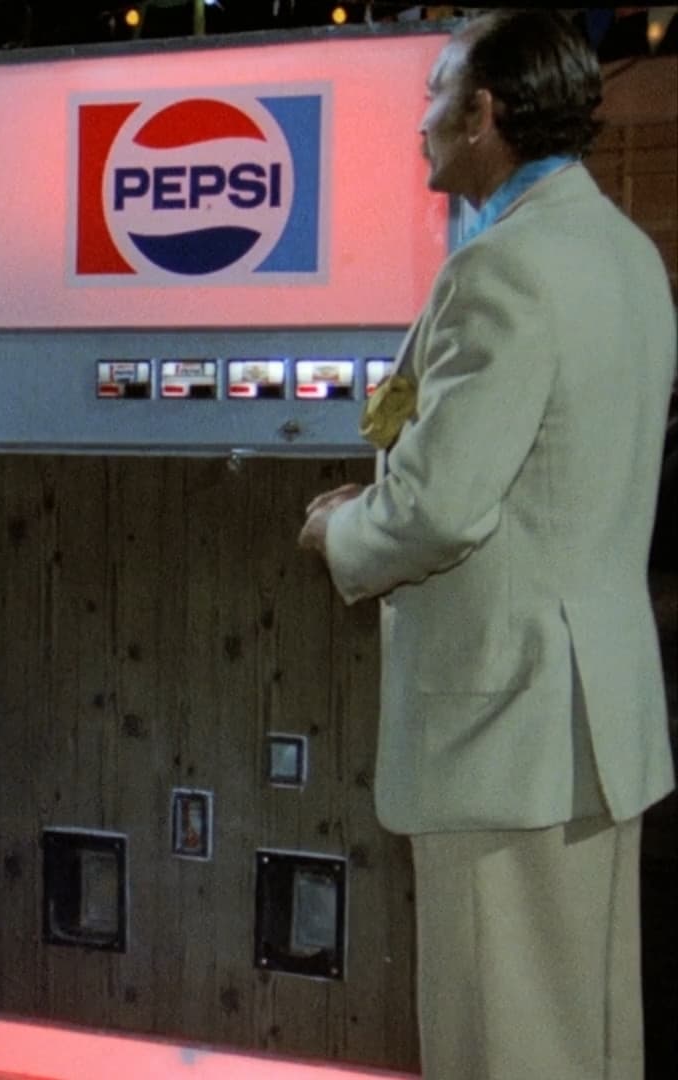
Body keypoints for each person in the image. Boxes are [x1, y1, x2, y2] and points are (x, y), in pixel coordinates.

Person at [298, 12, 675, 1080]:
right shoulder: (626, 254)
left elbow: (441, 510)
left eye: (434, 94)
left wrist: (340, 530)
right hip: (597, 724)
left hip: (505, 728)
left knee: (498, 1041)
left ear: (484, 115)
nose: (417, 120)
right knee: (586, 1036)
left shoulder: (501, 268)